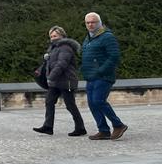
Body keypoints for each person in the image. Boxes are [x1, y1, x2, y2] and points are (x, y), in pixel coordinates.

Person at [33, 26, 86, 137]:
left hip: (67, 81)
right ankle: (48, 127)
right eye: (51, 36)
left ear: (62, 36)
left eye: (55, 36)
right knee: (49, 101)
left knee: (70, 105)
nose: (53, 38)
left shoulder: (65, 47)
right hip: (55, 82)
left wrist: (51, 76)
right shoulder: (53, 48)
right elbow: (51, 64)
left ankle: (80, 128)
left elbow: (62, 64)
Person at [81, 12, 126, 141]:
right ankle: (103, 130)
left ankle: (118, 125)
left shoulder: (107, 37)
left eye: (93, 22)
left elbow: (114, 56)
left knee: (98, 101)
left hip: (104, 76)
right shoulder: (88, 38)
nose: (90, 24)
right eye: (88, 22)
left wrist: (101, 71)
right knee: (92, 103)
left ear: (99, 22)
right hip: (90, 76)